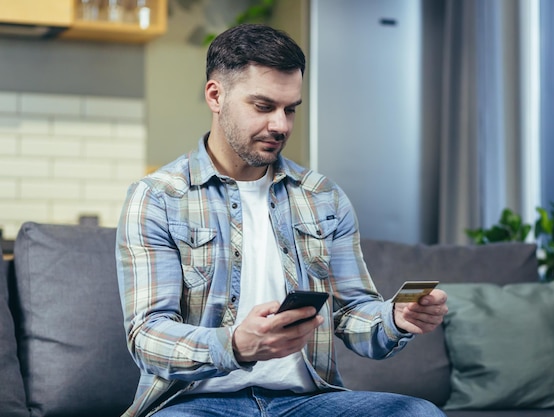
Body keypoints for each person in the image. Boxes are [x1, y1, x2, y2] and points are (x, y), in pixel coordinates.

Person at [116, 23, 448, 417]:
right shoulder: (157, 198)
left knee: (417, 414)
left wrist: (395, 317)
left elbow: (352, 312)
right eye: (264, 106)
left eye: (290, 109)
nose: (281, 125)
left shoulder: (322, 196)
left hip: (306, 402)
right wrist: (235, 345)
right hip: (196, 403)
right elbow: (147, 335)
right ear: (215, 95)